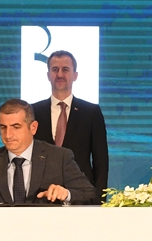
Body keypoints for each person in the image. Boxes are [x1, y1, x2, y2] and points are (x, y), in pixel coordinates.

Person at [32, 50, 109, 204]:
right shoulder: (33, 111)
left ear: (75, 75)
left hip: (81, 197)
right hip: (41, 198)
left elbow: (101, 162)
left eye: (65, 69)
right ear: (48, 75)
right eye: (55, 69)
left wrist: (99, 202)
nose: (60, 74)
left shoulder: (91, 112)